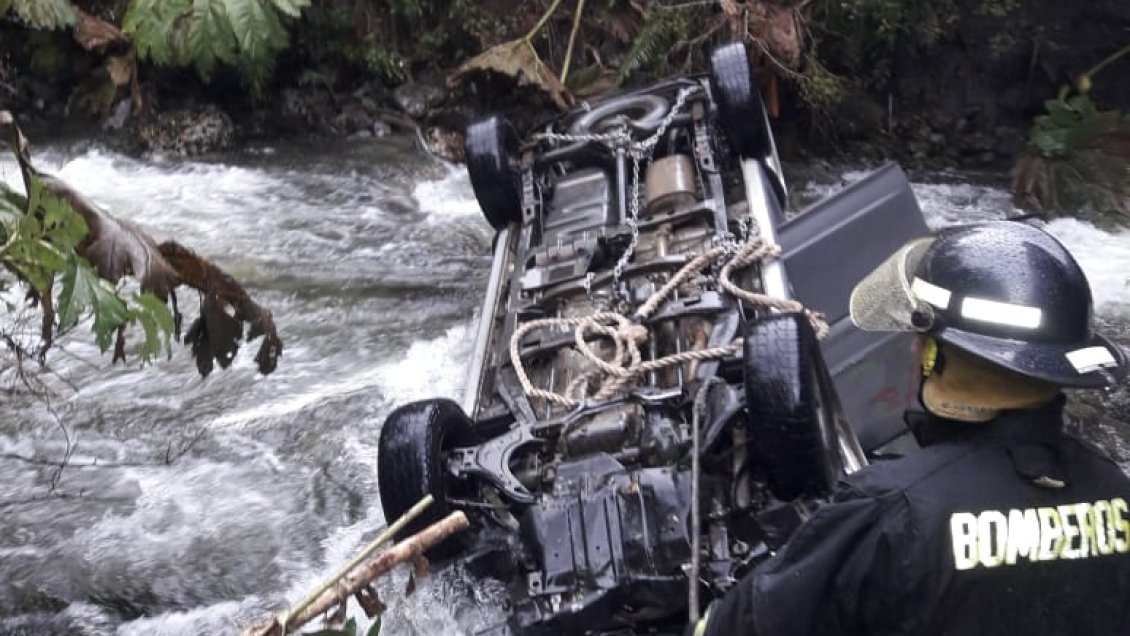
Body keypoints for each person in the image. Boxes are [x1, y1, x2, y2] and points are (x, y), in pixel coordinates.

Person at [690, 220, 1130, 635]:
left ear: (933, 356)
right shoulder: (1115, 488)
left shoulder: (887, 510)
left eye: (921, 342)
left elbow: (737, 627)